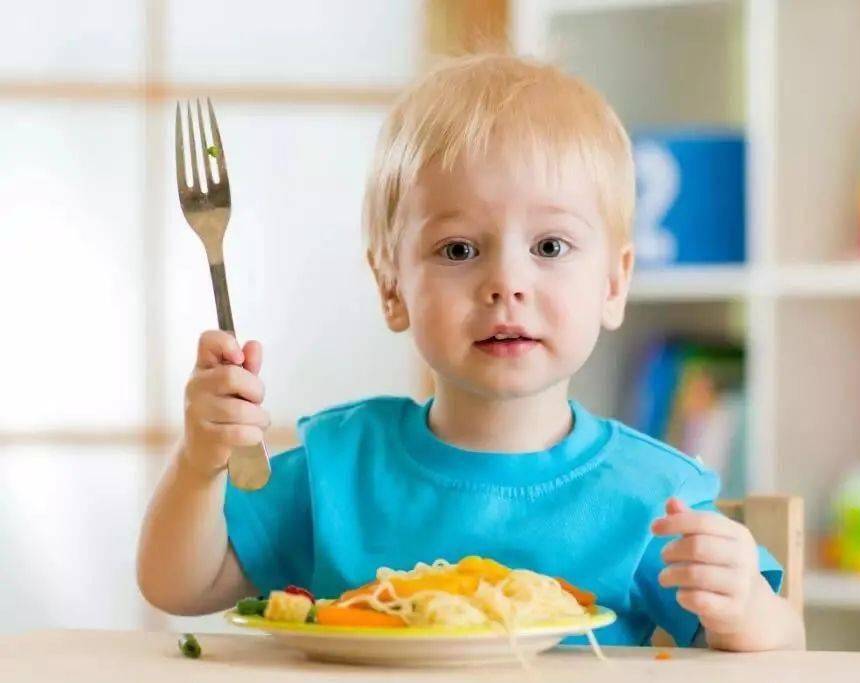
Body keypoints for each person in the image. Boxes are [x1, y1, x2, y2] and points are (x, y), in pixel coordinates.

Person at [138, 53, 805, 650]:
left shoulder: (654, 496)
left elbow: (787, 647)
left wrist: (746, 607)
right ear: (391, 285)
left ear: (613, 282)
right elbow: (178, 585)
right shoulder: (337, 466)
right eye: (459, 249)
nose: (506, 283)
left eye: (549, 247)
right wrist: (200, 463)